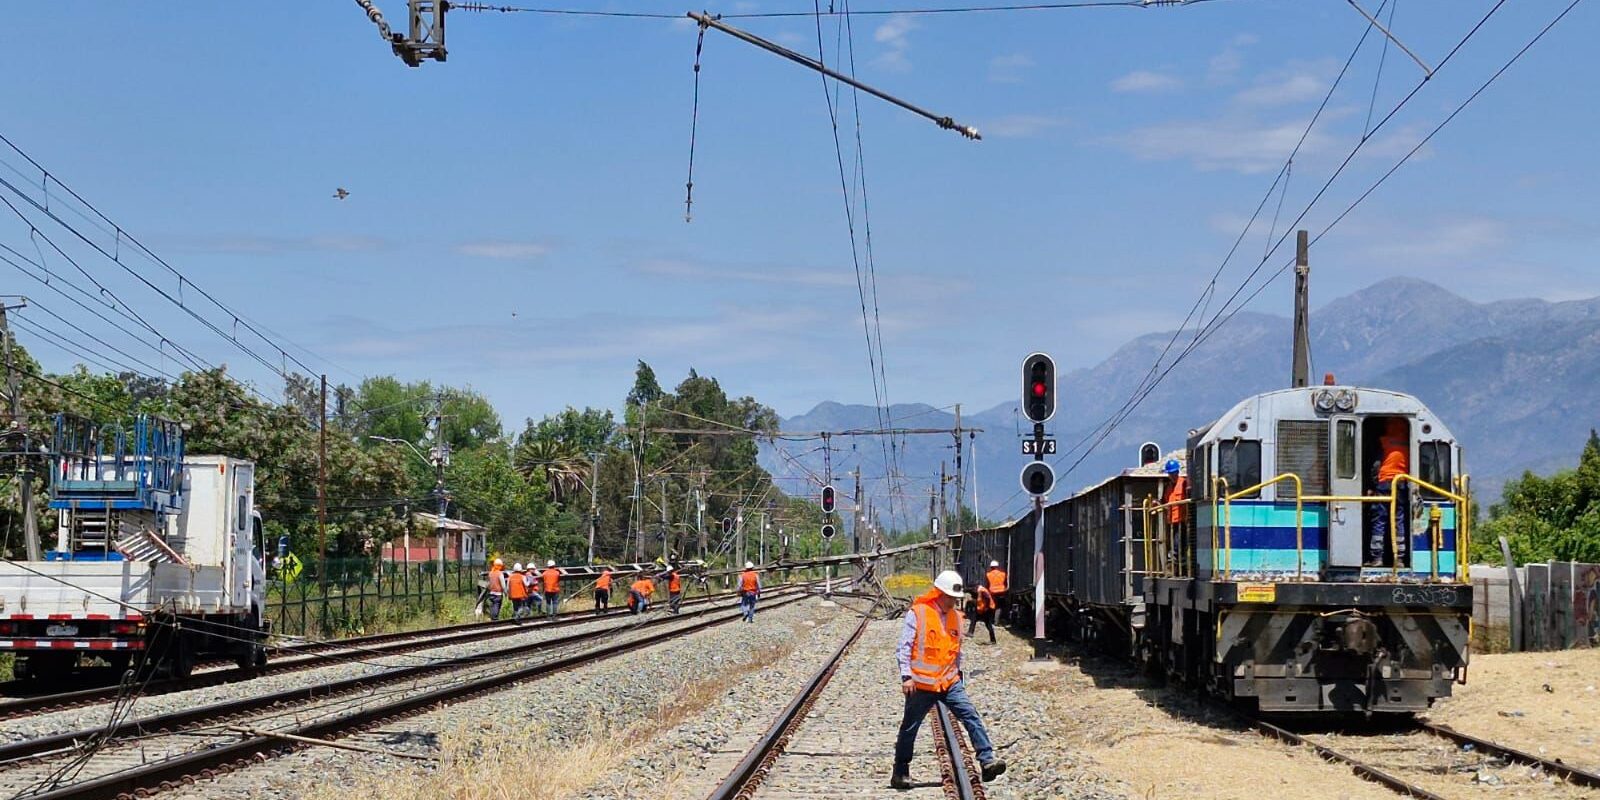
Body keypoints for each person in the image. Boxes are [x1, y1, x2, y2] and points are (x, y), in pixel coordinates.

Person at [893, 570, 1005, 790]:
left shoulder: (956, 616)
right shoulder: (919, 613)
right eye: (950, 597)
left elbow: (956, 650)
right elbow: (904, 648)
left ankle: (987, 761)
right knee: (910, 728)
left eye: (955, 598)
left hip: (949, 681)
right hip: (922, 684)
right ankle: (900, 771)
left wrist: (958, 675)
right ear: (939, 593)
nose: (953, 601)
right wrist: (906, 676)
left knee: (970, 715)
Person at [1369, 418, 1412, 566]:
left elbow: (1376, 465)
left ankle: (1377, 557)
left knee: (1380, 519)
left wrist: (1373, 485)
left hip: (1384, 484)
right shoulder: (1409, 442)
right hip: (1401, 483)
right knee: (1398, 519)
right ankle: (1399, 557)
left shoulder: (1384, 441)